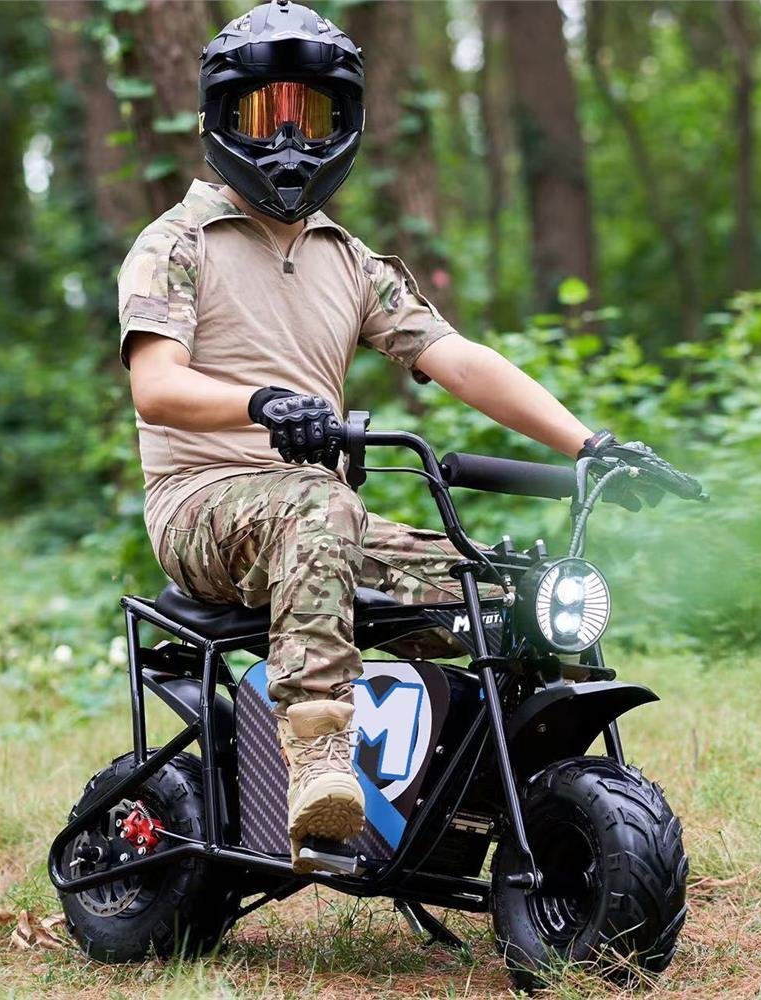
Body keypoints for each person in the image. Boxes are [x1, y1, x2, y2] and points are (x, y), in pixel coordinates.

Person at [118, 0, 649, 872]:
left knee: (500, 589)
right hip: (203, 507)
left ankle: (500, 804)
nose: (288, 140)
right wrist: (262, 405)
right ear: (221, 119)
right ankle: (319, 758)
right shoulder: (177, 243)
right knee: (319, 504)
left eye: (311, 115)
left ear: (346, 123)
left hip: (317, 521)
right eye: (265, 113)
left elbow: (457, 358)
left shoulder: (348, 259)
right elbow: (157, 385)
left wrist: (588, 444)